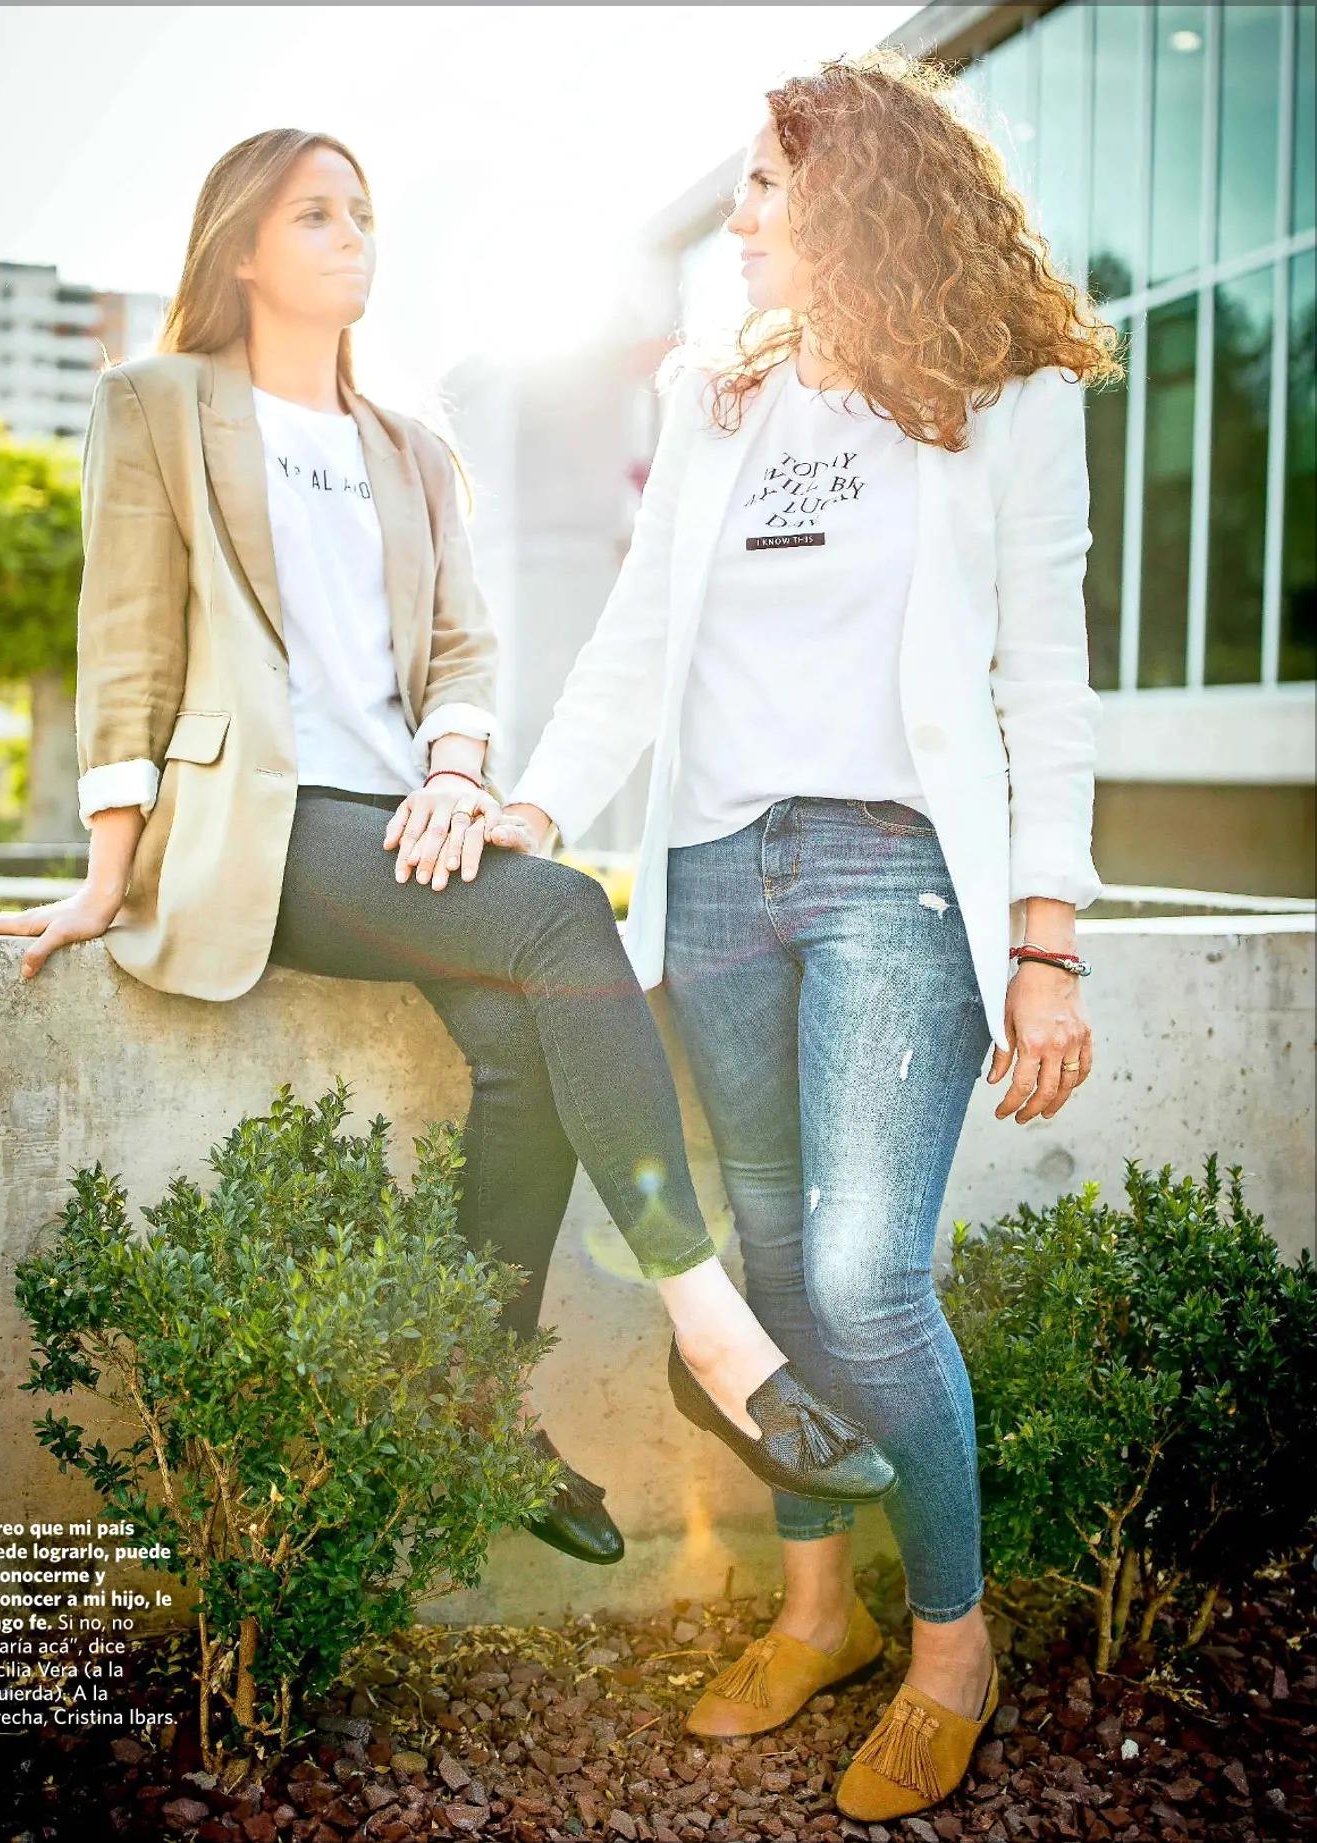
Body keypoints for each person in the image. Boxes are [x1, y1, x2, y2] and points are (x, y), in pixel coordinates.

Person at [0, 127, 895, 1575]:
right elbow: (124, 646)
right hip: (258, 829)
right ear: (240, 249)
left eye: (364, 214)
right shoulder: (154, 403)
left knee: (526, 1039)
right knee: (563, 915)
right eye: (314, 216)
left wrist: (456, 773)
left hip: (402, 823)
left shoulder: (411, 446)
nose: (353, 238)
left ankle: (475, 1402)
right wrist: (106, 871)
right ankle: (720, 1345)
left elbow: (461, 651)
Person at [488, 50, 1120, 1823]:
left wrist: (1049, 942)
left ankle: (950, 1649)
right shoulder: (721, 396)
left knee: (862, 1280)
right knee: (771, 1271)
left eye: (768, 186)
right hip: (712, 871)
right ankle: (818, 1614)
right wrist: (538, 809)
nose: (743, 220)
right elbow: (636, 641)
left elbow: (1045, 683)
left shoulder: (1009, 396)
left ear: (860, 196)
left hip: (892, 875)